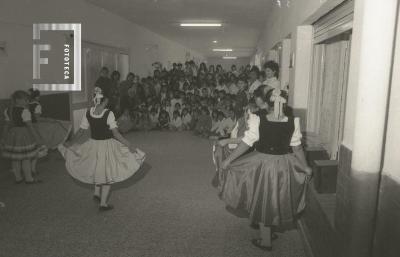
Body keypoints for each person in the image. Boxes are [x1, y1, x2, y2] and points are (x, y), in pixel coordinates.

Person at [219, 87, 312, 251]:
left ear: (267, 104)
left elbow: (247, 143)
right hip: (284, 164)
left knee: (263, 201)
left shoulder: (258, 119)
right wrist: (305, 167)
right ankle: (268, 232)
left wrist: (228, 160)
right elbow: (297, 148)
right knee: (275, 198)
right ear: (284, 104)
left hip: (263, 165)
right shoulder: (293, 121)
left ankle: (266, 241)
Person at [58, 87, 145, 211]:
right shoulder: (108, 113)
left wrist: (71, 143)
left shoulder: (88, 112)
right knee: (107, 172)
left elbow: (81, 131)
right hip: (106, 145)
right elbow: (116, 134)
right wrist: (128, 144)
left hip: (93, 144)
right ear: (105, 101)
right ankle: (103, 204)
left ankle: (96, 193)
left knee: (97, 168)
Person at [1, 90, 44, 184]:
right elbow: (30, 126)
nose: (27, 102)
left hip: (12, 135)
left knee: (15, 158)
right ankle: (29, 179)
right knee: (26, 158)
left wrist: (3, 138)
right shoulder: (25, 111)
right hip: (24, 135)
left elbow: (6, 125)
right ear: (17, 100)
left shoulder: (8, 110)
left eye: (27, 100)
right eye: (25, 100)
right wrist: (37, 138)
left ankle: (18, 178)